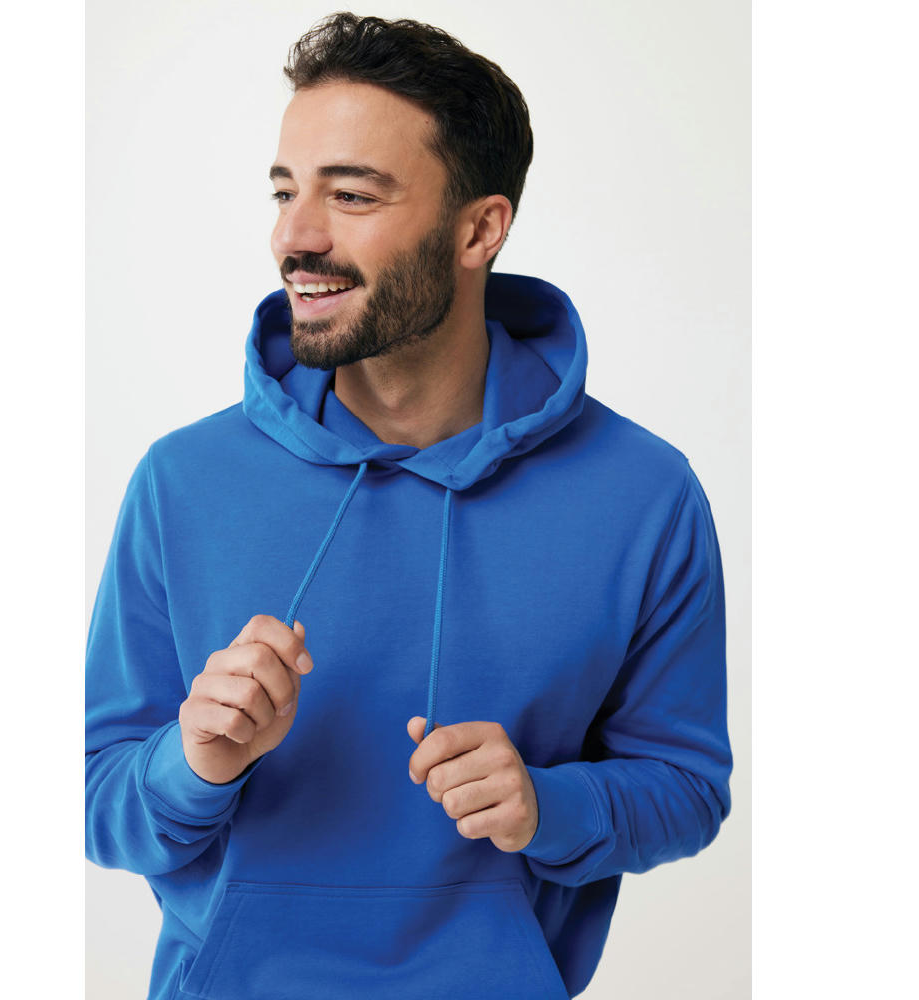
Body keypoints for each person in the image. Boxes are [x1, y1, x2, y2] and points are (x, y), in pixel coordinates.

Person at [85, 12, 732, 999]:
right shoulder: (183, 480)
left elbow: (684, 787)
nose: (295, 237)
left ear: (479, 229)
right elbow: (97, 799)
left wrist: (545, 806)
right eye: (286, 191)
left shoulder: (643, 493)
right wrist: (193, 762)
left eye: (351, 195)